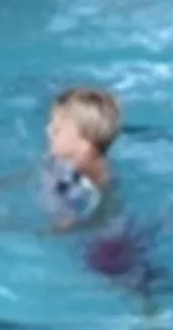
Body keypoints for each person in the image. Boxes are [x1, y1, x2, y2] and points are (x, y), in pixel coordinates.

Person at [41, 86, 122, 230]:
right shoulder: (63, 162)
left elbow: (95, 221)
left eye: (57, 129)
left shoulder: (93, 181)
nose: (48, 131)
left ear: (85, 143)